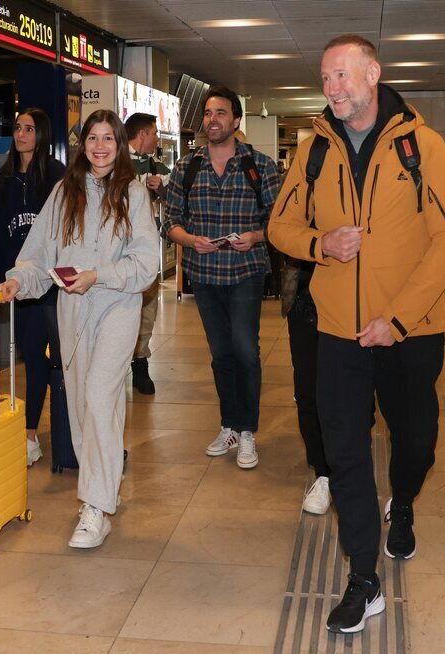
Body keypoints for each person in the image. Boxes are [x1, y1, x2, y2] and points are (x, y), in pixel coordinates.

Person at [268, 35, 445, 634]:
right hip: (337, 331)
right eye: (325, 78)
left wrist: (400, 319)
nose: (332, 88)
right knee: (345, 452)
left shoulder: (421, 146)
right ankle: (363, 577)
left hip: (411, 332)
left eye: (342, 76)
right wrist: (318, 244)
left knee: (417, 442)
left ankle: (402, 502)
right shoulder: (313, 152)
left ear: (373, 74)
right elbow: (279, 225)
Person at [0, 109, 159, 549]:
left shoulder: (135, 195)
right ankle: (104, 487)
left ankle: (96, 505)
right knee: (84, 406)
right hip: (72, 311)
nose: (100, 147)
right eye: (93, 139)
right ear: (82, 144)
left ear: (120, 145)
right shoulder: (65, 193)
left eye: (109, 139)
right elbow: (39, 255)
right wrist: (18, 280)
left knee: (100, 397)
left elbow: (146, 264)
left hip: (117, 308)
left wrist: (98, 275)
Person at [162, 86, 281, 469]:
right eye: (208, 113)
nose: (212, 120)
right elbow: (171, 223)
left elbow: (280, 224)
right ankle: (229, 424)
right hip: (205, 274)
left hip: (245, 272)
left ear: (235, 121)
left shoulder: (259, 166)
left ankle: (247, 431)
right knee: (220, 354)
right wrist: (189, 240)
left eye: (220, 113)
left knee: (246, 350)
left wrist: (255, 237)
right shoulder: (186, 167)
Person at [0, 107, 66, 466]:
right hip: (20, 287)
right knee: (32, 358)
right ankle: (30, 434)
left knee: (61, 362)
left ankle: (69, 428)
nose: (21, 134)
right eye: (17, 128)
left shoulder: (57, 176)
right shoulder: (1, 180)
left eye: (29, 129)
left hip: (55, 285)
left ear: (41, 134)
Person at [279, 257, 331, 514]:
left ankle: (348, 460)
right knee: (307, 391)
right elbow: (278, 231)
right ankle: (324, 474)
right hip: (302, 297)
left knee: (352, 391)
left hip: (354, 297)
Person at [125, 112, 171, 395]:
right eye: (154, 132)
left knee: (148, 305)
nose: (156, 138)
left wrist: (162, 187)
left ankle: (140, 362)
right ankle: (119, 360)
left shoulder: (157, 166)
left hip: (147, 246)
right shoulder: (115, 163)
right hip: (119, 249)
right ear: (142, 134)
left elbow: (177, 196)